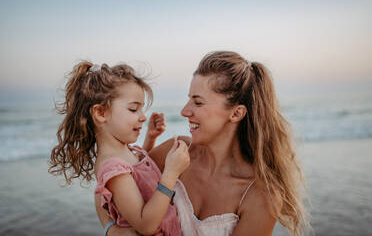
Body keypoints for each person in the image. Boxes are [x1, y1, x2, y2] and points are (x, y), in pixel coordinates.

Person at [97, 51, 309, 236]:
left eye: (197, 102)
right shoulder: (175, 152)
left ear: (236, 113)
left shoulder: (261, 197)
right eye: (189, 99)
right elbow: (109, 185)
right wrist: (112, 230)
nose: (184, 111)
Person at [48, 62, 190, 236]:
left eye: (141, 109)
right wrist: (170, 174)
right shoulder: (113, 168)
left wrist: (150, 138)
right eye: (133, 109)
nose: (143, 117)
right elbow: (145, 225)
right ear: (101, 113)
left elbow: (139, 175)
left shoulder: (124, 152)